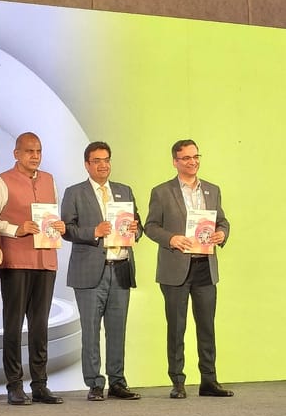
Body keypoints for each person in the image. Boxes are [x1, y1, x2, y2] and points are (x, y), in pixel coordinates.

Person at [145, 139, 233, 399]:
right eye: (186, 158)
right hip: (176, 268)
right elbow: (150, 226)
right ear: (175, 162)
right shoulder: (162, 192)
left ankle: (209, 381)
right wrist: (171, 238)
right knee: (176, 328)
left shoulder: (212, 190)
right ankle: (178, 382)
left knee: (207, 327)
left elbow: (223, 221)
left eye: (196, 157)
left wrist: (222, 233)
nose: (192, 162)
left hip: (205, 266)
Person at [0, 132, 65, 405]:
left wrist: (60, 226)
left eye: (38, 151)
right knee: (13, 325)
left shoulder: (49, 180)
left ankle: (40, 384)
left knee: (40, 326)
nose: (35, 156)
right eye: (29, 151)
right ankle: (14, 384)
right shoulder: (2, 181)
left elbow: (53, 216)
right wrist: (15, 229)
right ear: (16, 154)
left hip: (46, 262)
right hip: (16, 262)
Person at [61, 142, 142, 402]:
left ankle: (117, 381)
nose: (103, 165)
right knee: (91, 330)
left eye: (106, 159)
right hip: (89, 272)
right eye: (96, 160)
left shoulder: (124, 191)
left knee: (117, 330)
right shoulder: (74, 192)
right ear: (87, 164)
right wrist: (93, 232)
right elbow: (66, 229)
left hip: (121, 268)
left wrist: (135, 230)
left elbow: (138, 226)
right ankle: (95, 383)